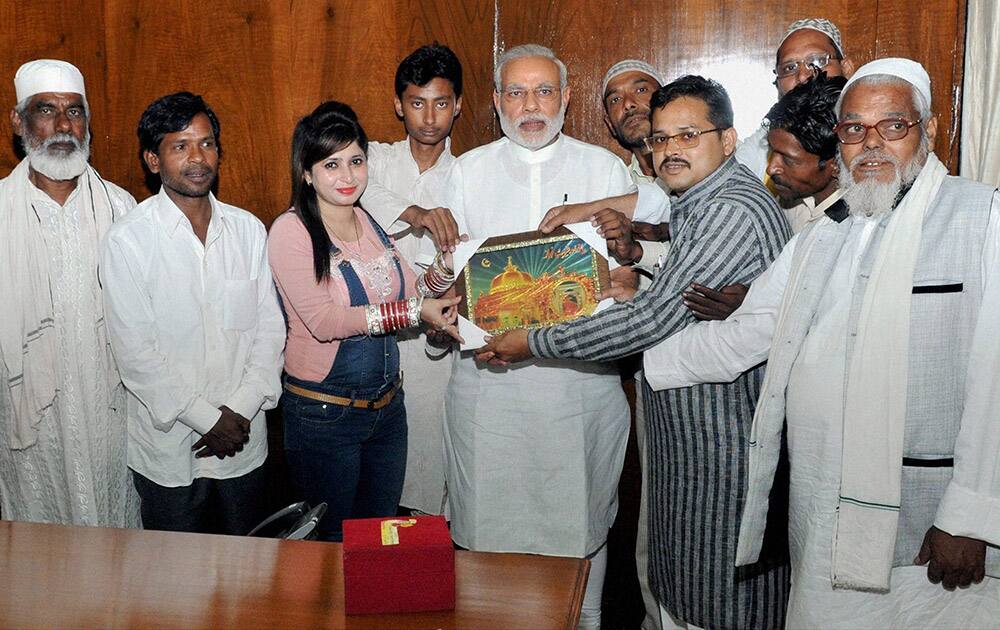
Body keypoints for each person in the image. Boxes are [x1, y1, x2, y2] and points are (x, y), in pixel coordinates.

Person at [642, 58, 1000, 628]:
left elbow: (996, 382)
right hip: (823, 508)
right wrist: (647, 358)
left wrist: (972, 516)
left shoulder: (982, 216)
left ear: (928, 131)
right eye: (854, 128)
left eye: (893, 126)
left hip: (929, 518)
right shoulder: (826, 230)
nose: (872, 142)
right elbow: (750, 331)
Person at [477, 75, 792, 629]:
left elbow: (654, 320)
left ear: (729, 138)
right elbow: (681, 300)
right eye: (660, 139)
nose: (670, 150)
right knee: (686, 594)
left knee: (723, 603)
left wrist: (532, 339)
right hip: (695, 442)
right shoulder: (701, 200)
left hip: (724, 445)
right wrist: (639, 277)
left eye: (688, 135)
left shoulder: (731, 209)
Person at [440, 44, 634, 629]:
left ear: (567, 98)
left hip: (578, 396)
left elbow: (626, 271)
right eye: (517, 92)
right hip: (488, 394)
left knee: (580, 529)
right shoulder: (467, 169)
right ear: (497, 100)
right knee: (488, 536)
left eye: (545, 91)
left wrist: (621, 280)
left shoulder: (604, 169)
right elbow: (450, 277)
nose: (531, 105)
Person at [267, 101, 461, 542]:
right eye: (331, 164)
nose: (348, 176)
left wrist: (447, 266)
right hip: (325, 413)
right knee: (331, 549)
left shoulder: (369, 221)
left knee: (378, 542)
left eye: (356, 161)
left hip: (387, 410)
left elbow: (413, 291)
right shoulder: (291, 231)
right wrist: (415, 313)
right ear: (306, 172)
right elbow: (325, 321)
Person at [101, 92, 285, 535]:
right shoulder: (128, 241)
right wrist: (209, 420)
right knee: (175, 590)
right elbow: (136, 356)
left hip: (244, 443)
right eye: (180, 146)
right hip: (168, 454)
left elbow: (270, 332)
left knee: (249, 579)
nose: (197, 158)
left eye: (206, 144)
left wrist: (237, 413)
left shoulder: (247, 231)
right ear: (152, 160)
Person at [0, 59, 139, 527]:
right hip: (31, 424)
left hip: (111, 413)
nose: (63, 125)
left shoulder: (122, 208)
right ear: (18, 121)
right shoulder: (1, 211)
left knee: (118, 537)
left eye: (75, 112)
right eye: (46, 110)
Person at [360, 44, 463, 516]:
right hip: (367, 334)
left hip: (435, 342)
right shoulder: (374, 161)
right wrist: (415, 213)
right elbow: (350, 186)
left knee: (426, 468)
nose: (428, 117)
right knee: (369, 481)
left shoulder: (468, 174)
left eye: (441, 103)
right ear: (398, 105)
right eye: (417, 103)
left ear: (458, 105)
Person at [674, 72, 846, 320]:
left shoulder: (851, 225)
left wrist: (753, 304)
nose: (771, 168)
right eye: (772, 152)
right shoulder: (791, 202)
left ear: (834, 164)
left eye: (787, 158)